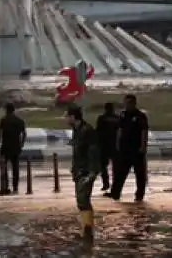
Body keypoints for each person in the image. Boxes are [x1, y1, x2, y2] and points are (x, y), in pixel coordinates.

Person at [65, 104, 99, 249]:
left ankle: (88, 229)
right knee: (82, 200)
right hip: (79, 170)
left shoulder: (87, 130)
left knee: (83, 200)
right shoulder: (77, 130)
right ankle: (88, 227)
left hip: (85, 171)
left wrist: (92, 173)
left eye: (67, 116)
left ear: (73, 117)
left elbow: (94, 152)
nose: (65, 119)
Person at [106, 94, 149, 202]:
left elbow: (144, 131)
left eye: (129, 103)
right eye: (126, 103)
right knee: (120, 173)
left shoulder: (140, 116)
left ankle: (139, 195)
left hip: (136, 149)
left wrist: (143, 146)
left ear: (134, 103)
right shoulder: (123, 115)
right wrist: (117, 144)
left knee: (140, 174)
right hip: (124, 149)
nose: (127, 105)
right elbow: (119, 130)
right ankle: (115, 193)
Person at [0, 103, 26, 195]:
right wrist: (22, 144)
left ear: (7, 110)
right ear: (13, 110)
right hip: (16, 148)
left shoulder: (4, 120)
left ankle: (5, 186)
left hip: (5, 148)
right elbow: (24, 134)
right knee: (15, 168)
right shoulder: (20, 121)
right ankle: (15, 187)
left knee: (4, 168)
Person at [95, 102, 120, 191]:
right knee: (115, 167)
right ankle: (115, 185)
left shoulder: (102, 118)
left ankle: (106, 184)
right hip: (115, 145)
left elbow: (98, 132)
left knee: (103, 167)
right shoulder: (118, 118)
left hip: (104, 145)